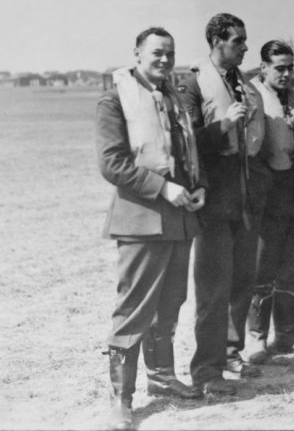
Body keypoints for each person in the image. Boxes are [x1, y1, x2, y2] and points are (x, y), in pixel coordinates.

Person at [96, 27, 205, 430]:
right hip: (141, 221)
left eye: (170, 54)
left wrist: (200, 187)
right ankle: (120, 400)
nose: (164, 60)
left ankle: (161, 379)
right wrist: (163, 187)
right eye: (157, 53)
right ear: (137, 54)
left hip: (179, 219)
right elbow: (113, 164)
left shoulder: (174, 99)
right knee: (134, 311)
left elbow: (188, 153)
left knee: (170, 304)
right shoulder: (113, 100)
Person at [180, 13, 267, 395]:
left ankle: (232, 352)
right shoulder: (193, 86)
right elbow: (186, 145)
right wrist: (225, 126)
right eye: (238, 41)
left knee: (242, 282)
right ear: (217, 41)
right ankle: (206, 370)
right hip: (214, 201)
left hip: (246, 199)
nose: (246, 47)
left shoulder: (242, 85)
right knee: (214, 288)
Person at [244, 40, 294, 362]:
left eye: (290, 68)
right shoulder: (252, 98)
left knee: (293, 266)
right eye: (279, 68)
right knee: (262, 267)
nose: (286, 74)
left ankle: (285, 333)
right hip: (266, 194)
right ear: (264, 68)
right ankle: (256, 336)